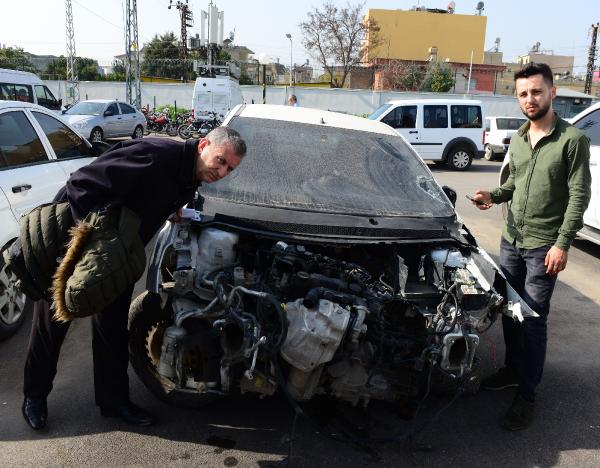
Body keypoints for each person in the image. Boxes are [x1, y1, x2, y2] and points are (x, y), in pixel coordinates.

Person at [21, 127, 247, 430]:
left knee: (112, 329)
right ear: (204, 144)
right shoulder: (156, 156)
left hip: (119, 258)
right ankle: (34, 397)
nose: (221, 171)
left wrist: (172, 211)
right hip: (76, 244)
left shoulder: (190, 174)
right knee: (54, 323)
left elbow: (149, 193)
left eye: (229, 168)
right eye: (220, 161)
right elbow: (81, 185)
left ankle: (114, 403)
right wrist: (93, 246)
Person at [470, 62, 591, 431]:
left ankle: (527, 394)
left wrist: (562, 244)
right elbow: (515, 186)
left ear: (552, 92)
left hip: (544, 247)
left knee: (534, 320)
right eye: (523, 93)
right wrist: (493, 194)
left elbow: (578, 197)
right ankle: (511, 368)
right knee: (510, 309)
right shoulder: (520, 138)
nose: (529, 99)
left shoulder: (572, 141)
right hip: (511, 240)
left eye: (536, 92)